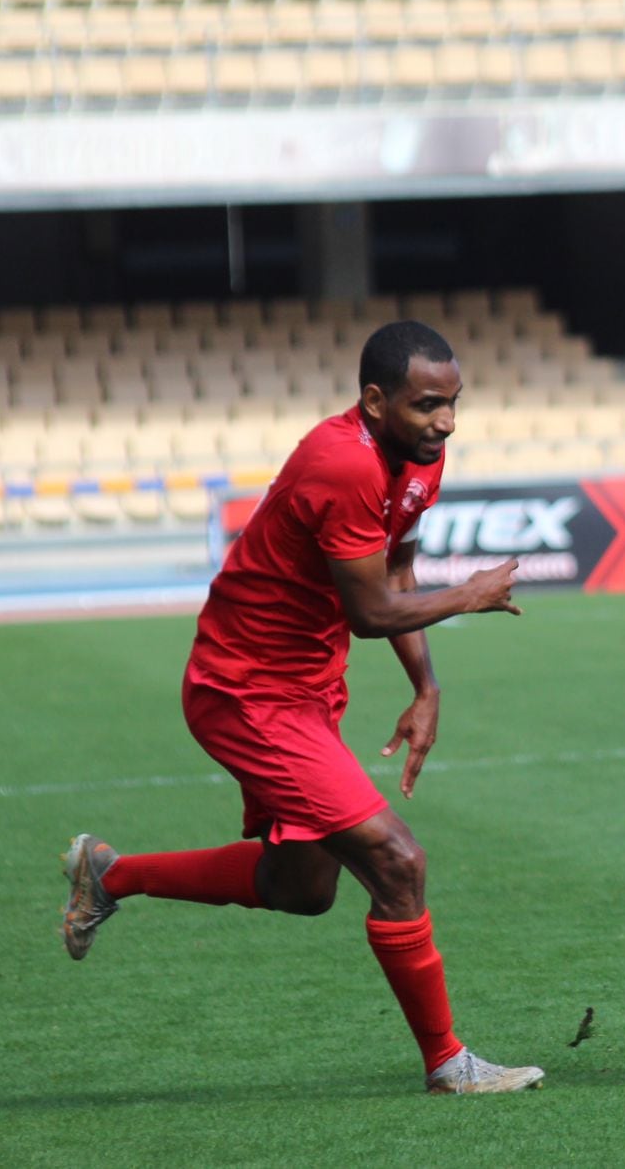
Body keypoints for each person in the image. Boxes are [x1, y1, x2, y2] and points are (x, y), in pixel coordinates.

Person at [58, 320, 543, 1095]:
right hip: (246, 691)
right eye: (427, 405)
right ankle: (450, 1064)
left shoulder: (419, 455)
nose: (446, 422)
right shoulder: (342, 465)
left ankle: (111, 874)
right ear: (375, 400)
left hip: (305, 689)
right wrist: (474, 594)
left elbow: (400, 565)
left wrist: (427, 687)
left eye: (455, 404)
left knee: (302, 888)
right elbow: (373, 611)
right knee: (398, 861)